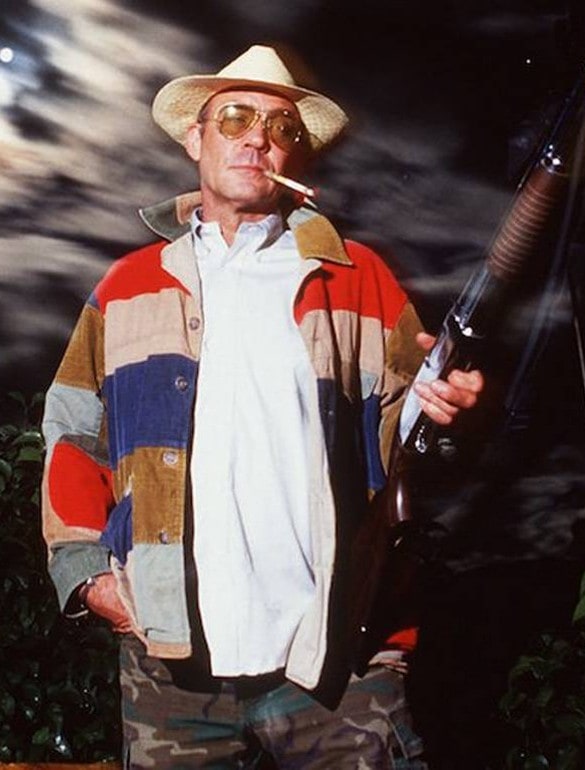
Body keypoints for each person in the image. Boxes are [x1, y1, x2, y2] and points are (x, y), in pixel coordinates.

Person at [41, 45, 483, 769]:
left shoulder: (357, 277)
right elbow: (71, 433)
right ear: (196, 140)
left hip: (334, 657)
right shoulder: (126, 287)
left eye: (280, 128)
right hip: (170, 665)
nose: (257, 139)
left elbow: (415, 438)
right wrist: (89, 576)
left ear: (295, 155)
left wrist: (450, 413)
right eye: (235, 119)